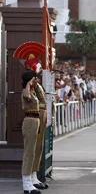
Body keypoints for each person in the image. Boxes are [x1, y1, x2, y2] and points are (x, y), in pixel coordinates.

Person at [13, 41, 48, 194]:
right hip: (30, 121)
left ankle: (33, 177)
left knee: (36, 150)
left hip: (37, 120)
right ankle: (27, 182)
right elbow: (28, 95)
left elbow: (43, 101)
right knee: (29, 151)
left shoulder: (35, 90)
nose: (36, 78)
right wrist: (29, 82)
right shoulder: (26, 92)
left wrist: (35, 82)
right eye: (34, 77)